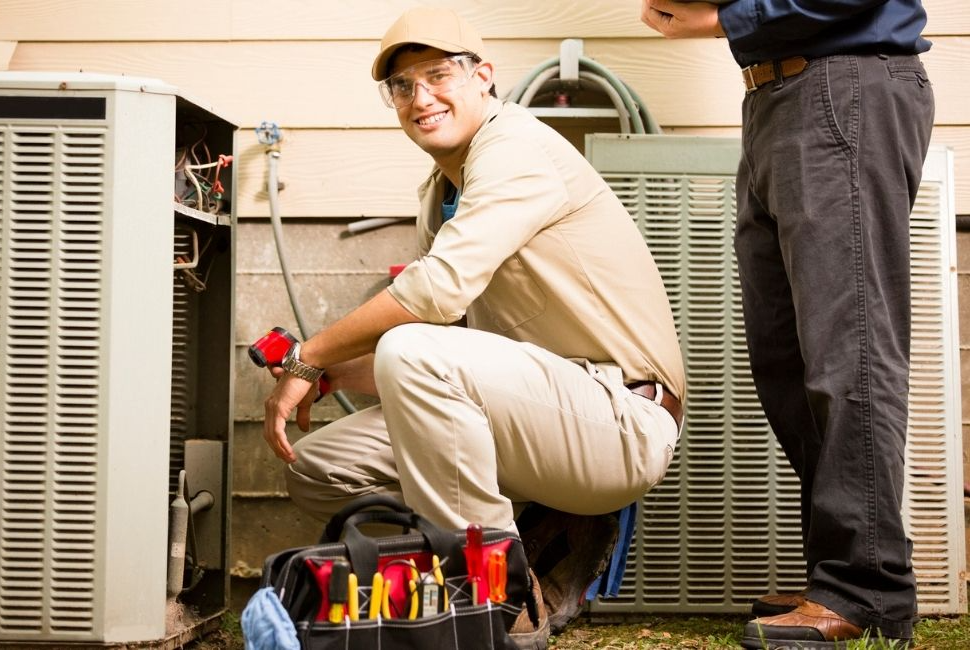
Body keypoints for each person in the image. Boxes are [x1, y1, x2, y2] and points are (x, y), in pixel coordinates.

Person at [261, 6, 686, 647]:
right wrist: (335, 377)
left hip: (617, 419)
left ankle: (493, 601)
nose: (420, 98)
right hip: (528, 415)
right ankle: (496, 574)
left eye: (438, 75)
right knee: (317, 468)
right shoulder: (441, 190)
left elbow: (435, 296)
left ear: (484, 76)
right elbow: (451, 356)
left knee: (411, 349)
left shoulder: (517, 149)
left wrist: (310, 356)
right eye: (402, 86)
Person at [641, 1, 935, 648]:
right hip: (777, 97)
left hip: (842, 84)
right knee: (787, 362)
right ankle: (836, 574)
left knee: (849, 352)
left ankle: (869, 590)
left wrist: (730, 18)